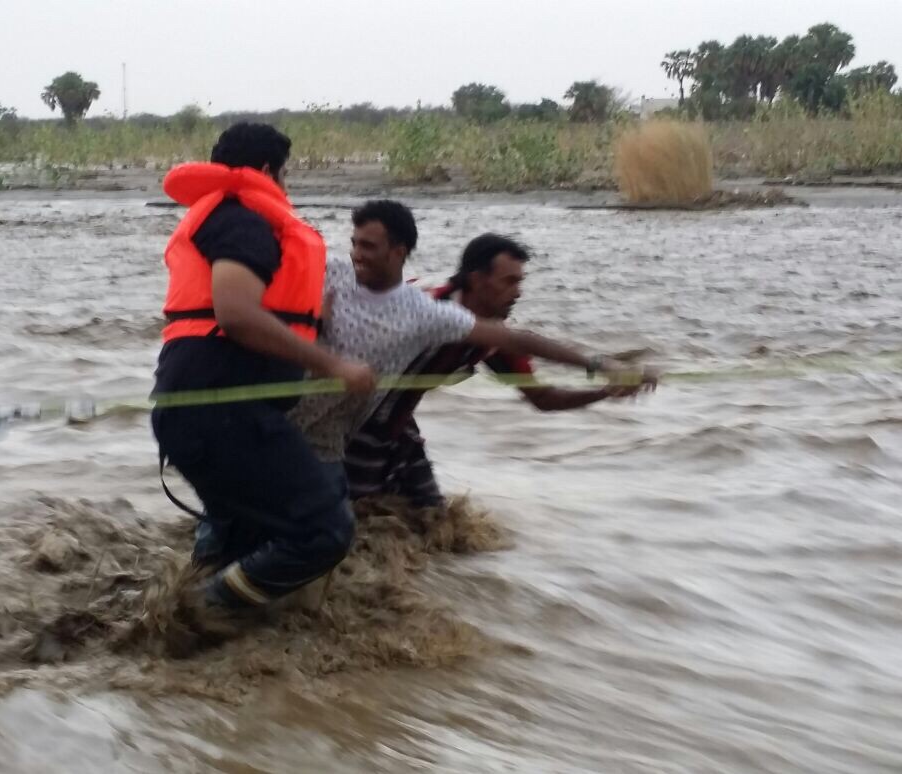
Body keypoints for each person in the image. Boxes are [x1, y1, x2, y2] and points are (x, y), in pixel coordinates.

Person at [150, 122, 375, 611]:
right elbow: (235, 314)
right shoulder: (242, 220)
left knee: (252, 540)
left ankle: (184, 639)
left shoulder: (229, 218)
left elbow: (249, 311)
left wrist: (311, 322)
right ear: (270, 170)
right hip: (221, 415)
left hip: (213, 415)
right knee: (326, 531)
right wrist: (333, 363)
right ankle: (202, 615)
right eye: (286, 175)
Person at [288, 206, 655, 491]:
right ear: (478, 280)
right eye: (509, 281)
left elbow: (542, 398)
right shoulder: (425, 307)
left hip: (397, 432)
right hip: (350, 425)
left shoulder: (490, 341)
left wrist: (606, 390)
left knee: (430, 521)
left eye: (520, 281)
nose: (518, 291)